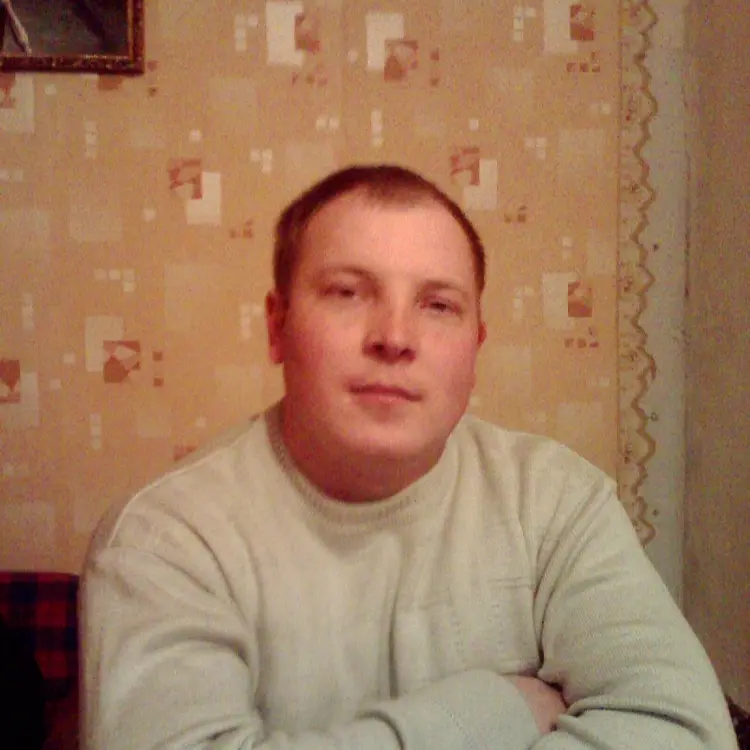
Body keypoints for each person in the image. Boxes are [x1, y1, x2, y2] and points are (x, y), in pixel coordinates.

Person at [80, 164, 738, 749]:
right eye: (348, 292)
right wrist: (494, 711)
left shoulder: (557, 502)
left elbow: (685, 734)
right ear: (278, 327)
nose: (394, 337)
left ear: (475, 345)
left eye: (438, 305)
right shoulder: (162, 541)